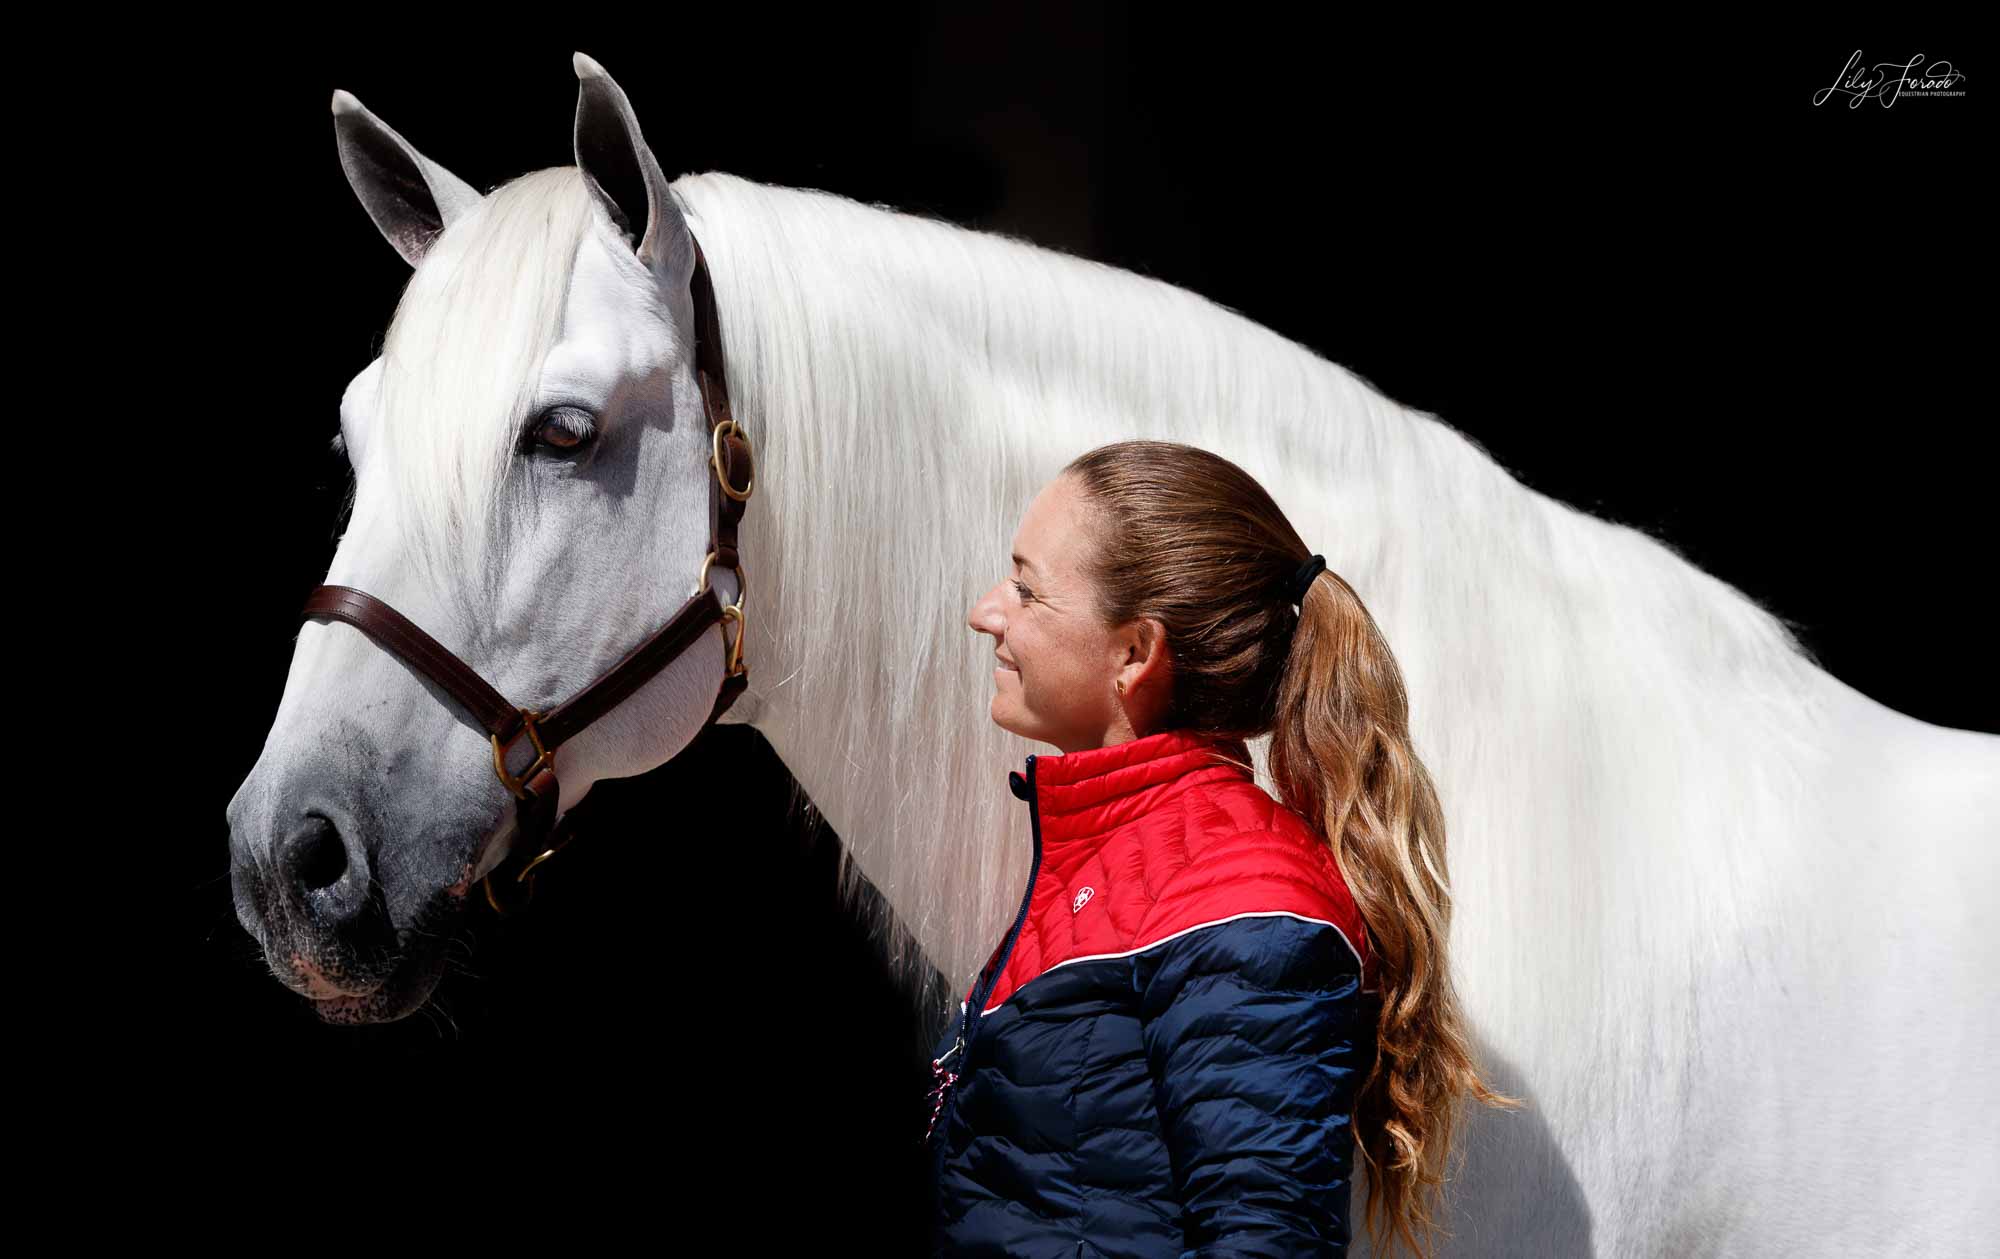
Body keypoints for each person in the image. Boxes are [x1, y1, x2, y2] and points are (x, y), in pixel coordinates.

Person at [926, 439, 1517, 1258]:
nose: (987, 610)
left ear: (1136, 652)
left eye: (1028, 589)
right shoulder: (1102, 864)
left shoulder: (1242, 895)